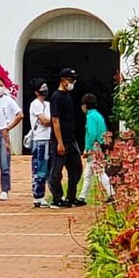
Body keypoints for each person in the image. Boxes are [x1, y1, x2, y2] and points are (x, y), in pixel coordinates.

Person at [48, 67, 84, 207]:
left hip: (71, 138)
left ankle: (71, 196)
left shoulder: (68, 96)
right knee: (56, 171)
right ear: (63, 80)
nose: (72, 83)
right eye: (70, 80)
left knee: (76, 168)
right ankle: (57, 198)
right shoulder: (57, 97)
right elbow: (55, 120)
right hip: (60, 140)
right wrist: (59, 142)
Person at [78, 93, 114, 204]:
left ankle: (111, 193)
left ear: (84, 106)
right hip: (99, 145)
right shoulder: (98, 115)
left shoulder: (90, 117)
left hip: (94, 146)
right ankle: (82, 196)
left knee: (99, 172)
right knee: (88, 173)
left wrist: (87, 148)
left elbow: (91, 133)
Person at [0, 78, 23, 201]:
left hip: (3, 134)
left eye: (1, 85)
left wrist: (8, 127)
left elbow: (20, 114)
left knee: (5, 164)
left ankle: (5, 190)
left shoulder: (8, 100)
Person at [27, 78, 53, 208]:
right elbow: (44, 121)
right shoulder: (35, 104)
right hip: (40, 140)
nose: (45, 89)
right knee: (40, 168)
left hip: (49, 138)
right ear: (37, 91)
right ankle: (38, 196)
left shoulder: (48, 104)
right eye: (42, 87)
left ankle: (53, 194)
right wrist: (54, 121)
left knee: (50, 169)